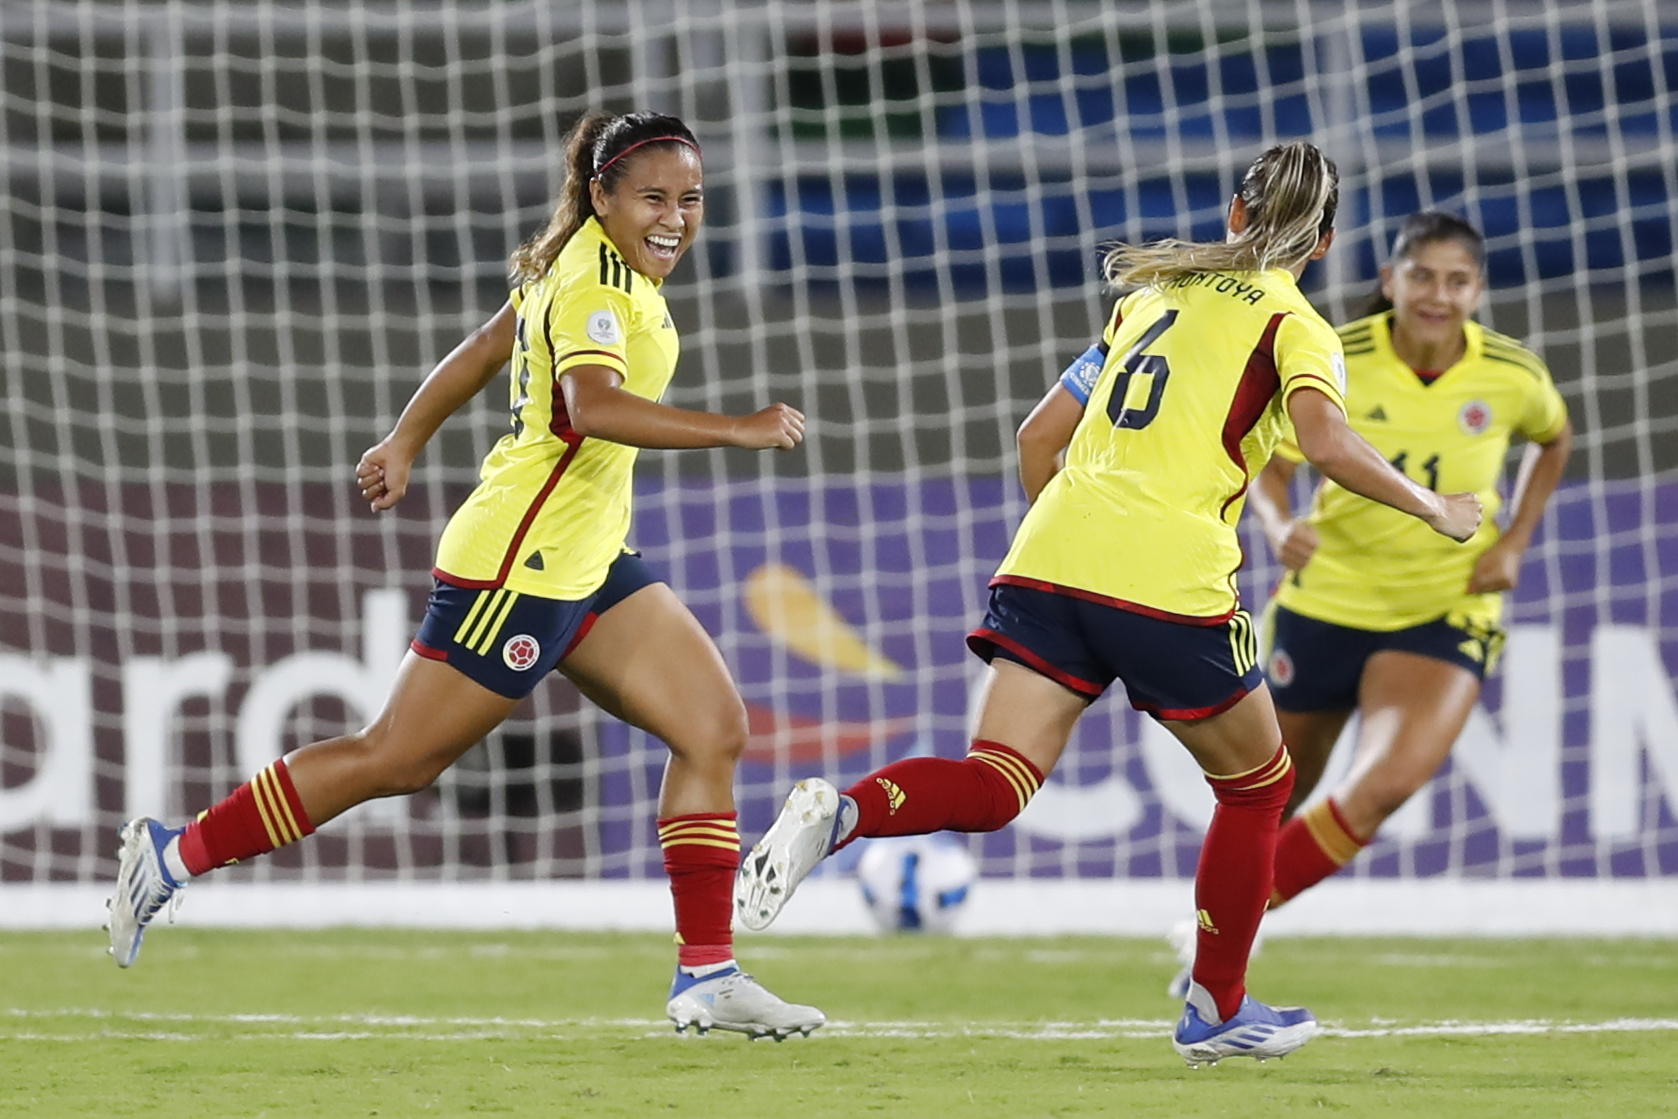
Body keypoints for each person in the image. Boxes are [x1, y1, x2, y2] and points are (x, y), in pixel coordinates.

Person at [734, 142, 1482, 1066]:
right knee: (1259, 785)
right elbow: (1324, 442)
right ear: (1324, 244)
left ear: (1236, 214)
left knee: (997, 779)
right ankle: (1217, 1006)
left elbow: (1037, 434)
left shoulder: (1149, 297)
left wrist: (1072, 545)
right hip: (1168, 579)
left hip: (1050, 559)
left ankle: (843, 813)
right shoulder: (1296, 325)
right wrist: (1436, 506)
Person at [106, 111, 825, 1041]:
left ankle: (707, 974)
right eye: (653, 197)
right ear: (602, 196)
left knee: (712, 726)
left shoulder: (583, 268)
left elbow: (488, 344)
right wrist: (738, 427)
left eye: (690, 199)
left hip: (588, 559)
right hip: (518, 567)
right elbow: (592, 405)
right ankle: (171, 857)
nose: (675, 218)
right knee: (395, 757)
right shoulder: (591, 286)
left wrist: (405, 438)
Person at [1248, 211, 1572, 907]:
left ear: (1477, 292)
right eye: (1422, 274)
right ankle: (1224, 934)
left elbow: (1555, 438)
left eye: (1457, 280)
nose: (1438, 294)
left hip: (1444, 601)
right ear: (1389, 280)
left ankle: (1216, 937)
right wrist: (1276, 525)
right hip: (1326, 596)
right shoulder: (1334, 356)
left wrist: (1515, 540)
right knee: (1271, 796)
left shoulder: (1512, 375)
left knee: (1384, 784)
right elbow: (1268, 466)